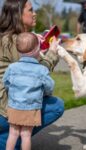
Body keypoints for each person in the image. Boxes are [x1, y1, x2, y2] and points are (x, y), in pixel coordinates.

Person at [0, 0, 64, 149]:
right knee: (57, 106)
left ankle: (8, 139)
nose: (34, 14)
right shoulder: (13, 41)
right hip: (4, 109)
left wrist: (34, 46)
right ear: (18, 14)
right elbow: (35, 77)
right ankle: (7, 141)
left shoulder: (7, 38)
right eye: (30, 10)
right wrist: (52, 53)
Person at [3, 32, 55, 150]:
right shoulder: (41, 70)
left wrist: (12, 92)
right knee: (26, 135)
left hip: (14, 106)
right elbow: (50, 86)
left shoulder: (12, 67)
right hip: (31, 108)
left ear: (18, 51)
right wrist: (45, 94)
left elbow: (5, 82)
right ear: (38, 49)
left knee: (13, 133)